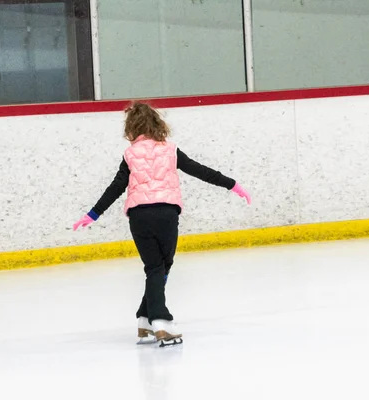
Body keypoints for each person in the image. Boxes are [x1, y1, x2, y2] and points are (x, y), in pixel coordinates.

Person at [73, 101, 251, 345]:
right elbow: (200, 170)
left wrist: (93, 213)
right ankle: (161, 321)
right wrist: (232, 184)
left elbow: (116, 187)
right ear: (158, 124)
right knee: (161, 268)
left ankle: (145, 318)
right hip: (166, 214)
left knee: (154, 268)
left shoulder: (130, 155)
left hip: (139, 216)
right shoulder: (170, 150)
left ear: (131, 128)